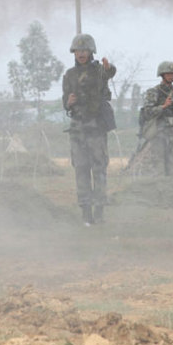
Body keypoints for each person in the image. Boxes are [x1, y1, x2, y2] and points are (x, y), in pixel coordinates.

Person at [62, 33, 116, 226]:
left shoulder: (98, 71)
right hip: (77, 129)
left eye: (84, 50)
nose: (81, 54)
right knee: (81, 170)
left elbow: (109, 73)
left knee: (99, 169)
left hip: (96, 128)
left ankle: (99, 211)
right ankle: (86, 212)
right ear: (74, 53)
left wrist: (109, 68)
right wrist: (68, 102)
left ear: (91, 52)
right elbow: (65, 101)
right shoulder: (69, 75)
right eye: (78, 51)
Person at [136, 61, 173, 176]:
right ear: (162, 75)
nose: (170, 76)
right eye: (168, 74)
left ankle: (171, 192)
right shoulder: (154, 92)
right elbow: (147, 112)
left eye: (172, 74)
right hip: (158, 134)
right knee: (158, 167)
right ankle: (158, 192)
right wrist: (163, 107)